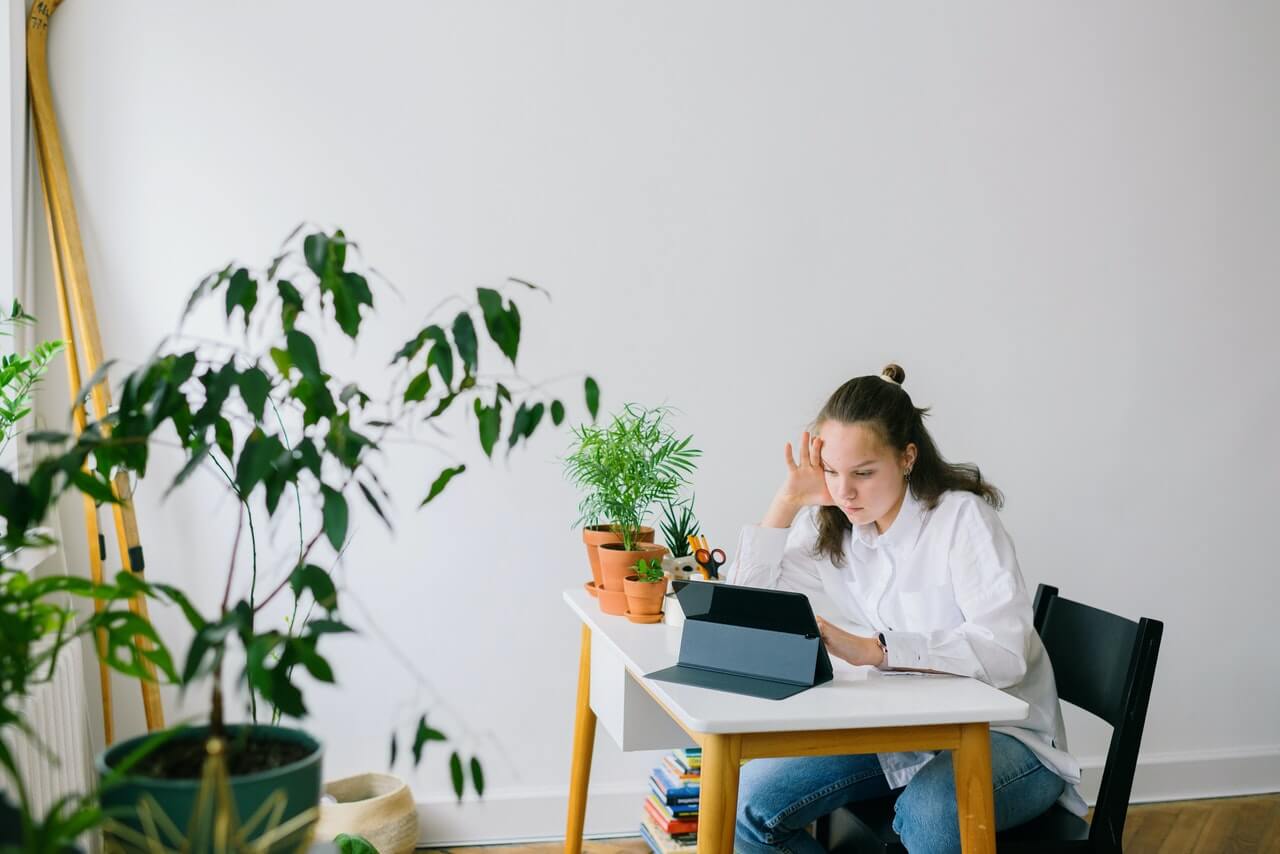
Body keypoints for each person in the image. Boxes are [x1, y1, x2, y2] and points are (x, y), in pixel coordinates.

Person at [727, 363, 1086, 854]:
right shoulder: (838, 524)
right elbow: (745, 604)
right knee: (746, 802)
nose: (844, 491)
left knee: (929, 816)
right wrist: (788, 501)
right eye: (831, 472)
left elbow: (1006, 655)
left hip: (1008, 739)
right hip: (901, 732)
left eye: (863, 473)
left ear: (907, 457)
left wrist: (877, 650)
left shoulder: (962, 521)